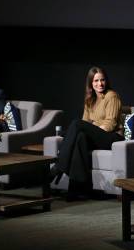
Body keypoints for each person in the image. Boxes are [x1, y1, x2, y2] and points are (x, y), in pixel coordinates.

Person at [50, 66, 125, 200]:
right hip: (98, 135)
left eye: (102, 80)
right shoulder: (90, 100)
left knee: (76, 124)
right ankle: (76, 189)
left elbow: (111, 123)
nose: (100, 84)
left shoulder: (111, 96)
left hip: (113, 137)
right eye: (96, 81)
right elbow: (85, 124)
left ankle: (59, 166)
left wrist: (93, 128)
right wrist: (90, 128)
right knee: (80, 137)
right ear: (91, 83)